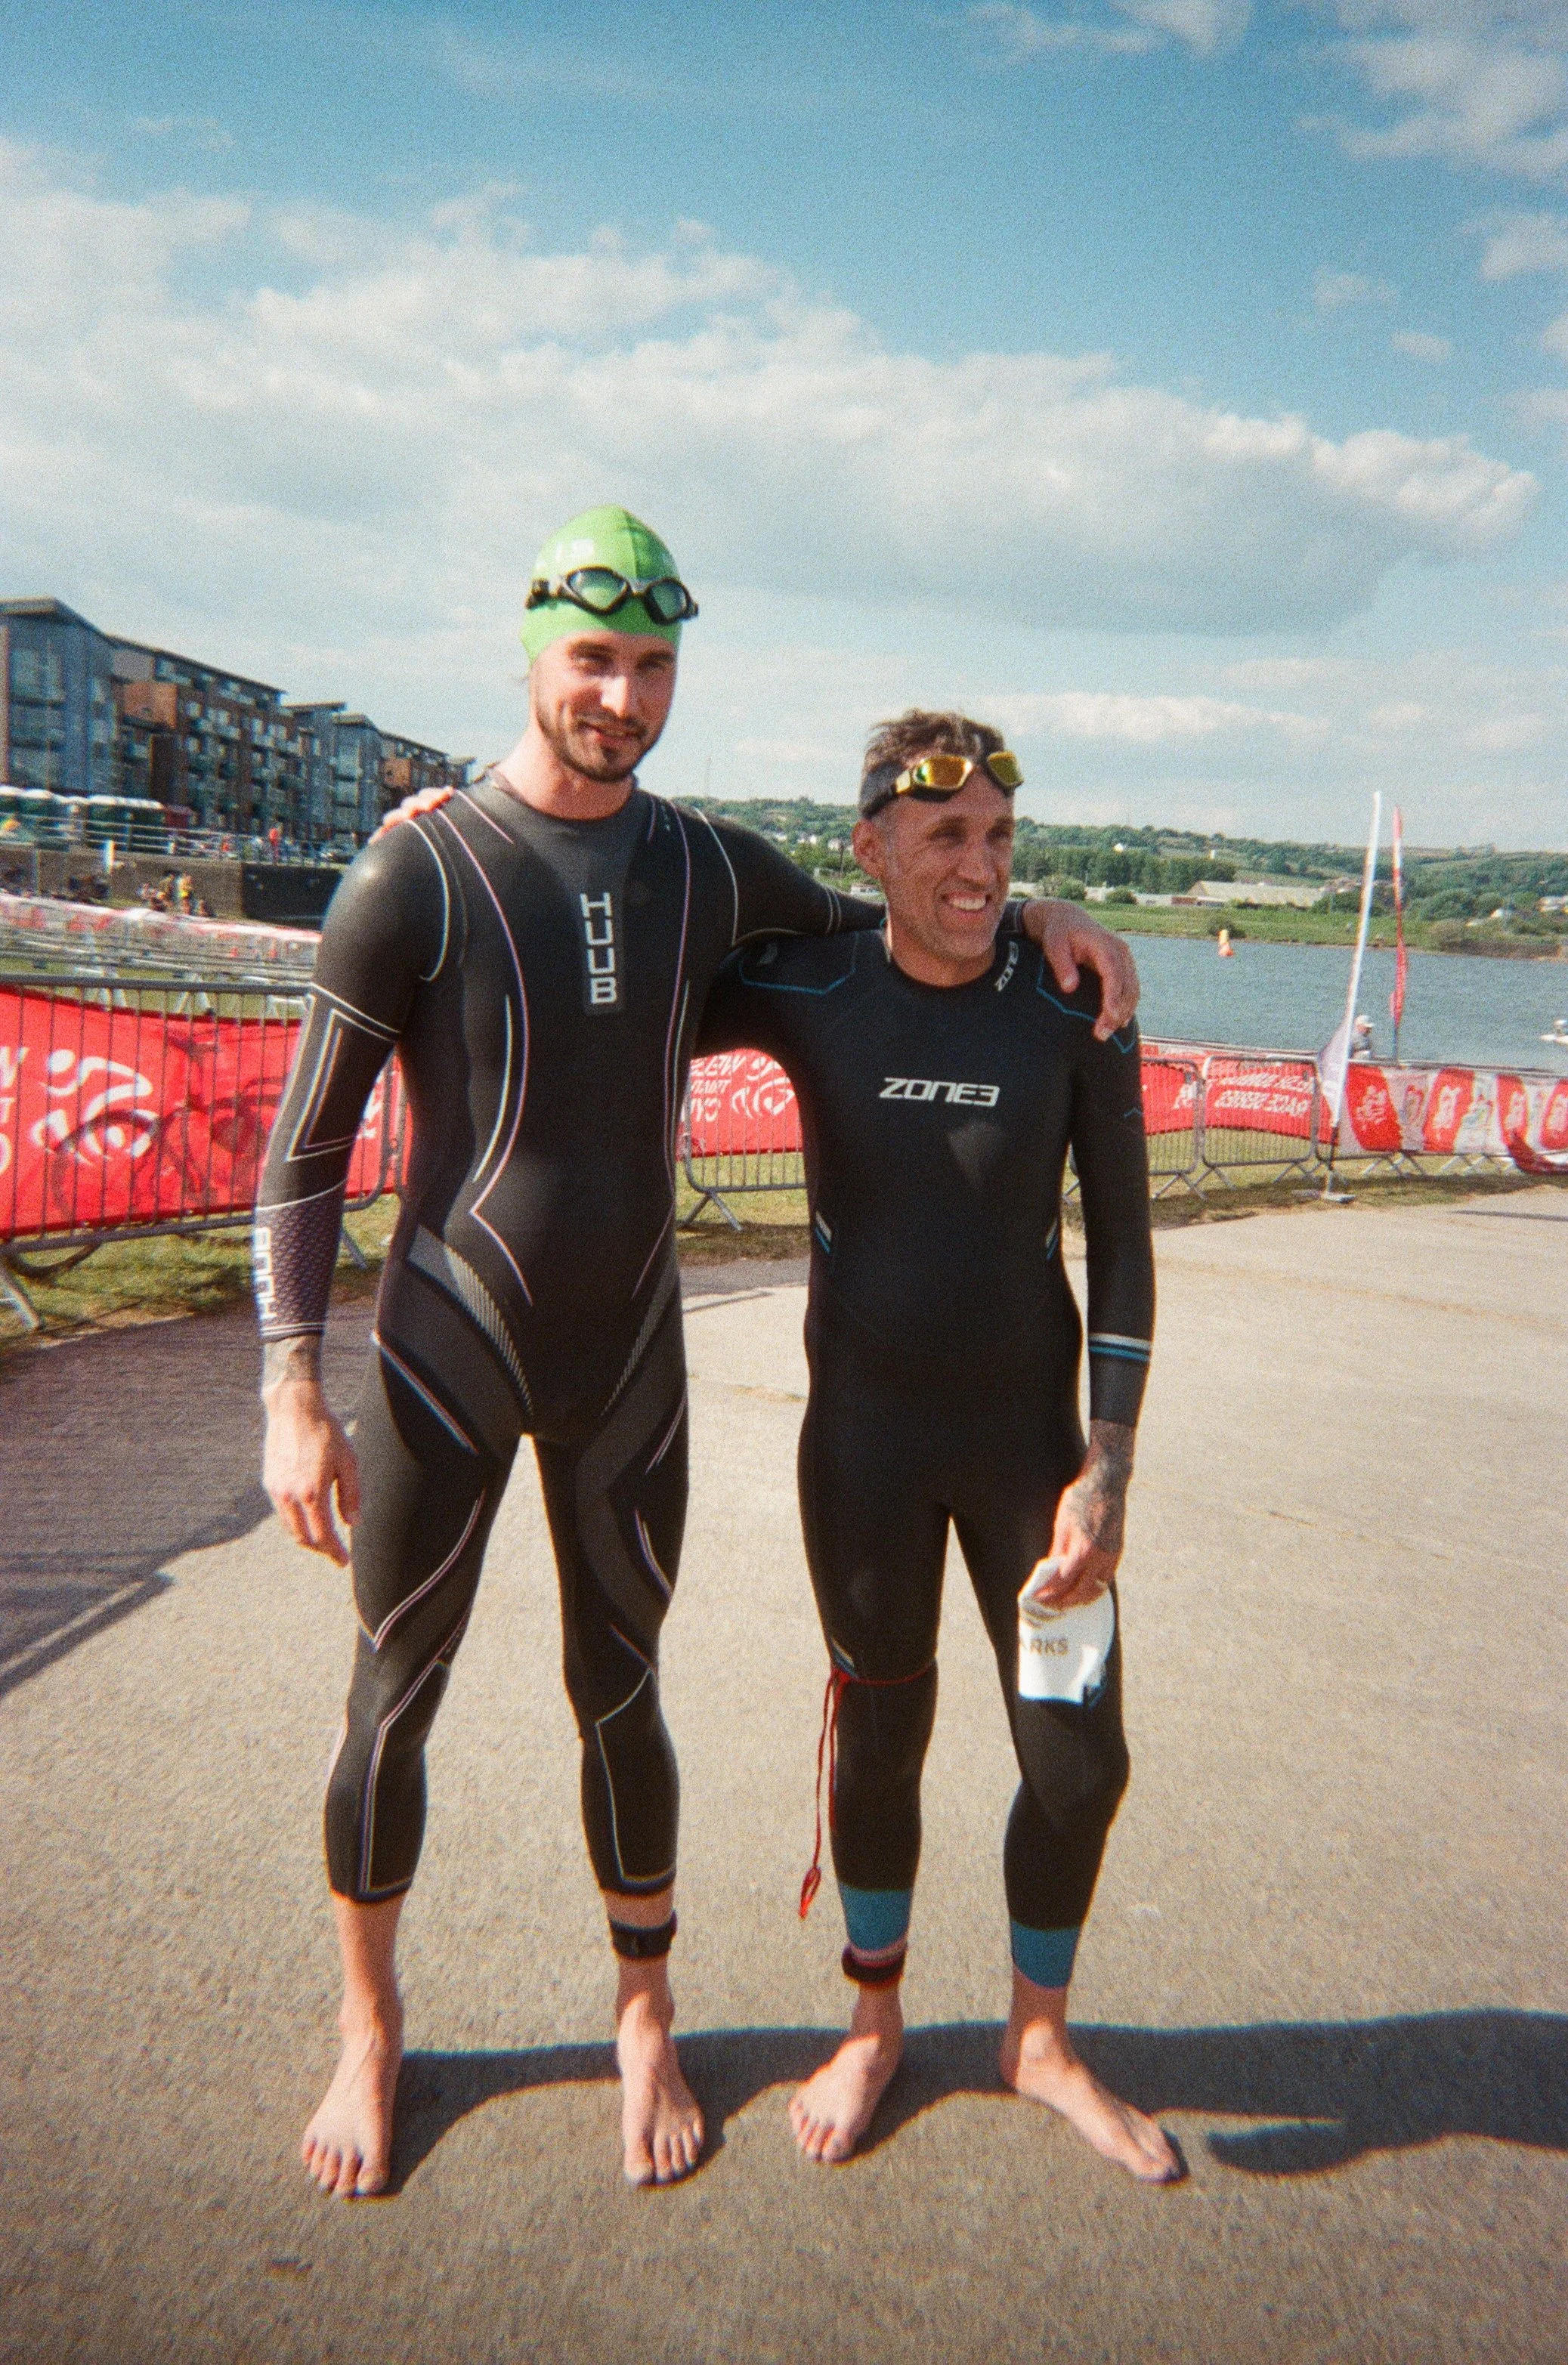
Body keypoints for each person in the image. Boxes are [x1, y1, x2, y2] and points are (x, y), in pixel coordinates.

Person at [252, 512, 1141, 2201]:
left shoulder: (708, 867)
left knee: (621, 1692)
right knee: (390, 1698)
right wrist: (290, 1386)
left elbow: (915, 911)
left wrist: (1043, 905)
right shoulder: (416, 868)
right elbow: (304, 1148)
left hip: (624, 1357)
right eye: (593, 658)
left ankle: (642, 2015)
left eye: (652, 664)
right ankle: (368, 2025)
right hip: (445, 1341)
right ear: (532, 649)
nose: (622, 693)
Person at [696, 710, 1180, 2181]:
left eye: (1001, 842)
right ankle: (872, 2019)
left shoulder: (1066, 1005)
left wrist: (1105, 1462)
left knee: (1078, 1761)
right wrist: (450, 840)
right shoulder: (813, 985)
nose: (979, 867)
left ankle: (1037, 2035)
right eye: (946, 835)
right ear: (873, 844)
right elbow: (638, 917)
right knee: (880, 1745)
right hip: (861, 1453)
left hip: (1033, 1455)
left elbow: (1126, 1249)